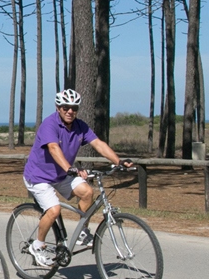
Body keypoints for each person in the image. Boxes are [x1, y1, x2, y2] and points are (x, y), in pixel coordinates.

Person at [23, 89, 133, 267]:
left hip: (61, 175)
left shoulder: (80, 126)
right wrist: (70, 168)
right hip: (39, 177)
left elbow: (98, 144)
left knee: (87, 192)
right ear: (58, 108)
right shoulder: (49, 125)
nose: (70, 111)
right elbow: (53, 148)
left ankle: (83, 231)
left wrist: (118, 161)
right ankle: (38, 245)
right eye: (65, 107)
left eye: (74, 108)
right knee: (54, 210)